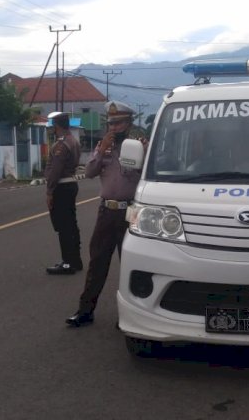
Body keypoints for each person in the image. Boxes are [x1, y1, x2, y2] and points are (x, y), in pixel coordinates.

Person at [66, 100, 147, 327]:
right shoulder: (104, 147)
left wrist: (145, 151)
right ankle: (85, 311)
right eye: (110, 123)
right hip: (107, 210)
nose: (113, 128)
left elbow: (148, 175)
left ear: (129, 123)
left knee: (132, 263)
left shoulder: (139, 146)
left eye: (119, 123)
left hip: (133, 211)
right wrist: (101, 151)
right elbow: (90, 172)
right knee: (97, 261)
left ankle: (133, 315)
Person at [44, 111, 83, 275]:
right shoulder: (73, 141)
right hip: (71, 184)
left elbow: (55, 170)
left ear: (56, 126)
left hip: (61, 186)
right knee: (71, 225)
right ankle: (76, 260)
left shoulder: (61, 145)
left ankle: (67, 263)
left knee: (64, 226)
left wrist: (49, 191)